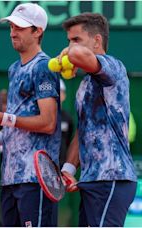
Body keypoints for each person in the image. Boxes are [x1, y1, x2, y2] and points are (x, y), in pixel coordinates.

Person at [0, 3, 61, 227]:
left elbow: (48, 123)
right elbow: (16, 120)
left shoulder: (44, 67)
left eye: (20, 27)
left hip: (36, 178)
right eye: (11, 26)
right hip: (10, 178)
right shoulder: (14, 69)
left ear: (38, 31)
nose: (13, 32)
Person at [59, 13, 137, 227]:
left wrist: (68, 53)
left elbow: (76, 55)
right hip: (91, 180)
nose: (70, 45)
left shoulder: (114, 67)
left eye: (76, 39)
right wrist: (68, 169)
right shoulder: (84, 85)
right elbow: (83, 131)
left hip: (113, 178)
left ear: (97, 41)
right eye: (69, 40)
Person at [59, 79, 74, 167]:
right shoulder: (41, 117)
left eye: (60, 91)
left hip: (62, 165)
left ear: (64, 95)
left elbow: (69, 139)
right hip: (44, 165)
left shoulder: (67, 117)